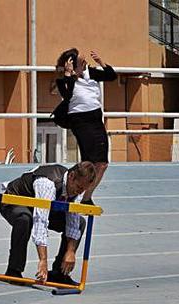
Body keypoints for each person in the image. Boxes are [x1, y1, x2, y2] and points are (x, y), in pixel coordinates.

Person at [0, 161, 97, 285]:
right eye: (78, 187)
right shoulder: (47, 183)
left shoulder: (77, 189)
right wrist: (43, 260)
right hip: (14, 200)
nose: (79, 192)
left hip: (41, 205)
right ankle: (13, 270)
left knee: (80, 223)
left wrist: (70, 251)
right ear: (71, 176)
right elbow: (41, 220)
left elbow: (73, 220)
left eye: (83, 190)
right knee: (25, 218)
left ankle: (59, 273)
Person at [55, 48, 116, 202]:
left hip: (96, 120)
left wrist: (100, 62)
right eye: (81, 63)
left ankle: (86, 197)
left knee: (102, 164)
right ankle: (68, 191)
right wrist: (69, 75)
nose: (84, 65)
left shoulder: (92, 73)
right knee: (87, 164)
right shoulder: (64, 81)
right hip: (80, 122)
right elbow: (67, 95)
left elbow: (112, 76)